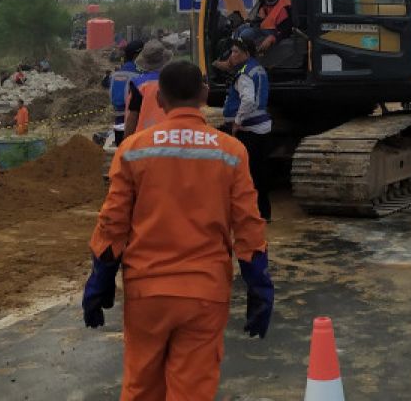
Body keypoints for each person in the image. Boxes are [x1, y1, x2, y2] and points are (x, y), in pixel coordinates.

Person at [83, 60, 272, 400]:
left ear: (160, 99)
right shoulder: (232, 152)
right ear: (204, 93)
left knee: (141, 387)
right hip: (204, 292)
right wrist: (259, 284)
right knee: (192, 391)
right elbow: (248, 224)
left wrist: (100, 278)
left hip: (147, 292)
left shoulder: (133, 150)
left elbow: (113, 223)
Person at [220, 37, 273, 221]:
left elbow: (248, 100)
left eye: (236, 52)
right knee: (259, 173)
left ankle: (251, 215)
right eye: (232, 51)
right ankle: (263, 213)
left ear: (247, 54)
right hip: (260, 127)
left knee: (246, 174)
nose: (232, 56)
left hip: (248, 129)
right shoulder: (257, 68)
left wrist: (237, 121)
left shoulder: (243, 73)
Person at [124, 39, 172, 137]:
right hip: (170, 137)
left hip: (144, 139)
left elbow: (133, 116)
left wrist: (126, 142)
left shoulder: (138, 84)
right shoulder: (175, 81)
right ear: (165, 60)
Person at [104, 40, 143, 146]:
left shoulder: (114, 75)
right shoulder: (138, 76)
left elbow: (105, 84)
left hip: (118, 119)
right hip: (133, 120)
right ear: (137, 55)